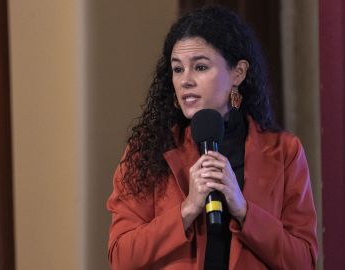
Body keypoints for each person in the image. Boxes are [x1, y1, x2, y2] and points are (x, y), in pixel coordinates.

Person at [107, 6, 317, 270]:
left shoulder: (284, 152)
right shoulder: (146, 150)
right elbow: (121, 258)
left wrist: (243, 211)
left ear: (237, 73)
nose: (185, 81)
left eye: (201, 67)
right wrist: (187, 208)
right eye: (178, 69)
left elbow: (303, 261)